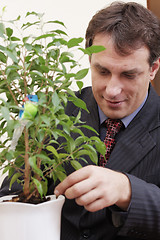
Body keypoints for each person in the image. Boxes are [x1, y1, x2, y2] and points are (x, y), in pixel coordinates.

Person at [1, 2, 160, 239]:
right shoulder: (44, 109)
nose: (112, 90)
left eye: (128, 74)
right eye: (102, 71)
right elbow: (11, 190)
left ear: (152, 69)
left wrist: (128, 190)